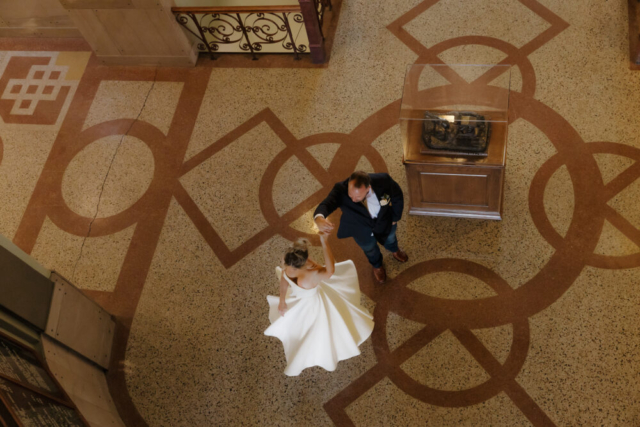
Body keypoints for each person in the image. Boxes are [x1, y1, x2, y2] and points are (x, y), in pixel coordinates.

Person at [264, 234, 374, 377]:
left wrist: (282, 301)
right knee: (326, 326)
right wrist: (324, 242)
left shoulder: (287, 266)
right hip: (316, 303)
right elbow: (330, 271)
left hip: (302, 302)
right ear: (302, 262)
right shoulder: (312, 274)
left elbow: (284, 282)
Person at [313, 171, 408, 284]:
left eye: (358, 196)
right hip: (360, 229)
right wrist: (318, 218)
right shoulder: (340, 189)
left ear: (368, 188)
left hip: (385, 222)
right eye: (350, 195)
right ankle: (377, 266)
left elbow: (397, 195)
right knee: (370, 249)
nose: (353, 199)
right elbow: (326, 204)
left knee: (391, 238)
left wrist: (395, 218)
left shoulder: (383, 180)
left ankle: (394, 250)